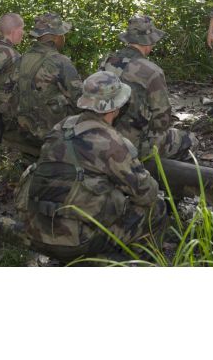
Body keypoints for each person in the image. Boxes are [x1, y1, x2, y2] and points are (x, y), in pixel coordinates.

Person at [14, 70, 167, 262]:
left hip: (35, 230)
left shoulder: (61, 127)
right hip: (76, 242)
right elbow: (147, 193)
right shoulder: (111, 142)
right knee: (157, 207)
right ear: (116, 107)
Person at [101, 14, 197, 160]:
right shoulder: (151, 71)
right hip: (133, 144)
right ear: (148, 42)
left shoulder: (106, 61)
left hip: (103, 136)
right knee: (190, 139)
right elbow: (162, 121)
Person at [16, 12, 83, 143]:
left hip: (24, 128)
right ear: (56, 37)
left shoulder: (23, 57)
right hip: (51, 132)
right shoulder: (60, 61)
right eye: (63, 34)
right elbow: (79, 99)